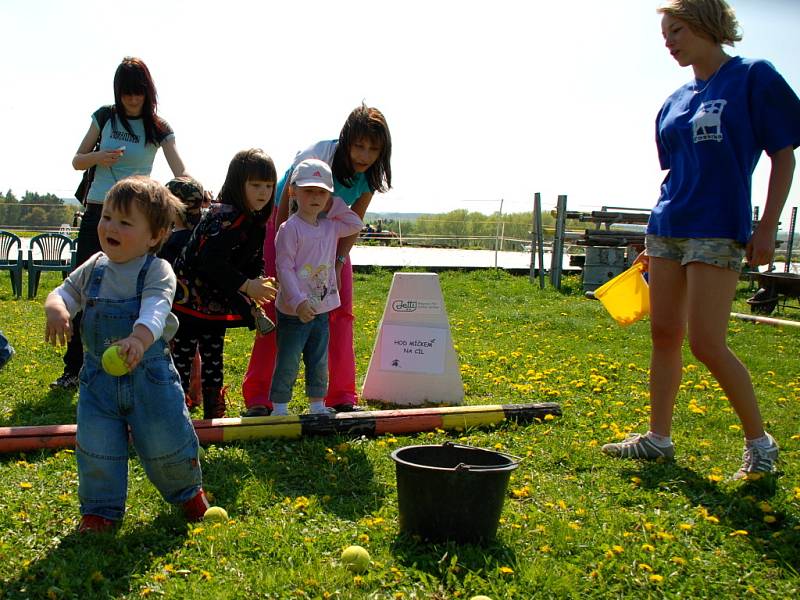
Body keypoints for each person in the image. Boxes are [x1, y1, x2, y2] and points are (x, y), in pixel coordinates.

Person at [602, 0, 800, 480]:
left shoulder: (754, 76)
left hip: (718, 227)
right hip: (669, 225)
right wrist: (652, 238)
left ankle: (761, 444)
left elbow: (783, 158)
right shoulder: (673, 100)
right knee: (664, 334)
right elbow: (674, 174)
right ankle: (658, 439)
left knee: (707, 343)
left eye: (678, 30)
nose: (669, 41)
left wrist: (767, 226)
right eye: (665, 33)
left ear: (709, 26)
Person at [43, 177, 210, 533]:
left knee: (167, 441)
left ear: (155, 236)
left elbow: (155, 308)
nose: (110, 228)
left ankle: (187, 492)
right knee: (96, 447)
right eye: (107, 217)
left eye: (124, 222)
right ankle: (100, 511)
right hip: (98, 384)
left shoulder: (157, 271)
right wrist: (57, 308)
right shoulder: (94, 267)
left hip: (150, 380)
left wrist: (138, 338)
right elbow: (65, 292)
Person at [241, 104, 392, 416]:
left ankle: (340, 397)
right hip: (287, 228)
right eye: (359, 146)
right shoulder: (318, 155)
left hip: (329, 235)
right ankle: (260, 397)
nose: (364, 155)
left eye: (373, 149)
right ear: (346, 140)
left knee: (338, 311)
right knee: (277, 307)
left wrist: (337, 261)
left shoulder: (370, 175)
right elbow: (284, 205)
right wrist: (284, 252)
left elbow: (355, 219)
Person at [53, 56, 189, 391]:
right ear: (118, 93)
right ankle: (75, 368)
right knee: (87, 286)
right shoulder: (105, 117)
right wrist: (99, 157)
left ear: (148, 92)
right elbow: (76, 160)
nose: (132, 99)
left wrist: (192, 191)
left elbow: (179, 170)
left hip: (138, 218)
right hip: (101, 210)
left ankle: (138, 352)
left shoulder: (158, 128)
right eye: (126, 92)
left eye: (138, 92)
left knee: (142, 289)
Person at [172, 149, 278, 419]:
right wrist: (246, 285)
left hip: (216, 299)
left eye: (268, 185)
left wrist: (258, 279)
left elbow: (253, 258)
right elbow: (210, 261)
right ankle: (176, 407)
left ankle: (213, 408)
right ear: (237, 184)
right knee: (182, 355)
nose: (263, 192)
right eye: (255, 185)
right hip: (188, 297)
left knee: (213, 353)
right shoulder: (225, 216)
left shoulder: (256, 219)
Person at [271, 159, 364, 416]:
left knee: (318, 359)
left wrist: (334, 204)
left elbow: (356, 224)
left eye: (322, 192)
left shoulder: (330, 226)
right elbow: (284, 268)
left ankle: (316, 405)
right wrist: (299, 301)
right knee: (288, 361)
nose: (315, 197)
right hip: (294, 310)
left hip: (321, 309)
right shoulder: (289, 228)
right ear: (293, 192)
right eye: (308, 190)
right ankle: (279, 408)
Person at [158, 176, 206, 409]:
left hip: (175, 308)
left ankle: (178, 398)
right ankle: (195, 395)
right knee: (195, 353)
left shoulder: (172, 240)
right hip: (201, 308)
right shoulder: (204, 235)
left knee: (177, 355)